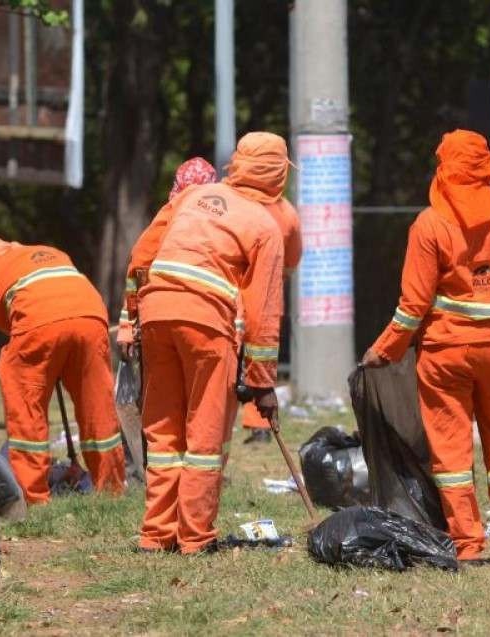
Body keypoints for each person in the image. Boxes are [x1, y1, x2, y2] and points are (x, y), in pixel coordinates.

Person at [361, 129, 490, 567]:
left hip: (445, 353)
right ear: (487, 165)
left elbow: (413, 305)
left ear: (444, 167)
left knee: (451, 449)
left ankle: (467, 543)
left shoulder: (431, 223)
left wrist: (385, 349)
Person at [125, 132, 286, 554]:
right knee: (204, 434)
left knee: (162, 432)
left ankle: (156, 535)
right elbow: (265, 313)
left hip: (156, 311)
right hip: (206, 323)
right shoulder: (265, 226)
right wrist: (263, 383)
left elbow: (142, 255)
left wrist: (131, 318)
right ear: (279, 176)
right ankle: (195, 538)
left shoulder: (192, 196)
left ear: (236, 164)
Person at [0, 236, 126, 503]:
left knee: (23, 399)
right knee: (97, 405)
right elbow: (64, 300)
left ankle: (33, 495)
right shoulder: (47, 252)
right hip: (91, 317)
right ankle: (111, 489)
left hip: (40, 323)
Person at [116, 157, 218, 350]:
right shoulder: (224, 221)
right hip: (210, 320)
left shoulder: (170, 212)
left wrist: (129, 324)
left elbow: (139, 263)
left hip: (159, 316)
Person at [239, 160, 302, 444]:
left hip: (232, 295)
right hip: (269, 296)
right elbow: (292, 259)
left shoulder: (235, 204)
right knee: (262, 358)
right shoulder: (287, 213)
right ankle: (260, 424)